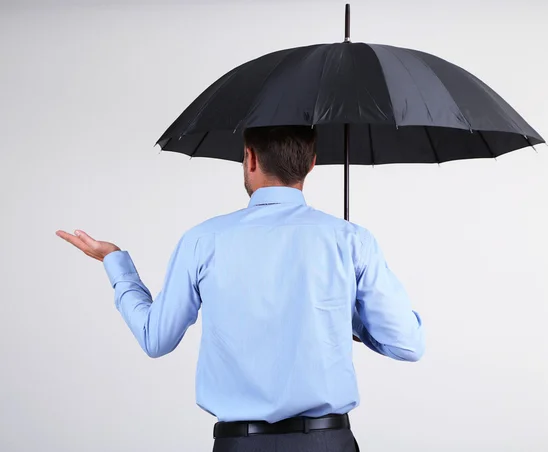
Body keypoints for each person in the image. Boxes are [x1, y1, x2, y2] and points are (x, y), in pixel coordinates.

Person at [56, 125, 425, 452]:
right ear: (312, 162)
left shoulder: (203, 240)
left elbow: (156, 338)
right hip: (327, 443)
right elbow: (406, 343)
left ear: (249, 157)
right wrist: (354, 316)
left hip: (239, 445)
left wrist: (115, 262)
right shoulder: (351, 241)